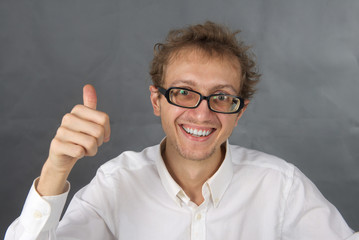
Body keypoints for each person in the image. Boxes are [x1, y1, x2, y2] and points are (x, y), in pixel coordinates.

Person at [5, 21, 359, 240]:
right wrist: (56, 169)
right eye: (184, 92)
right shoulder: (115, 184)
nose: (202, 113)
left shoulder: (281, 186)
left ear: (240, 112)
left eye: (221, 97)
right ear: (157, 101)